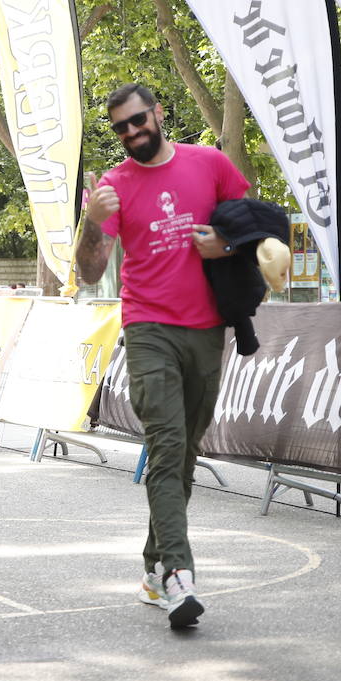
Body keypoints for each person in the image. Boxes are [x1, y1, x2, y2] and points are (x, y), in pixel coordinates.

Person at [74, 83, 250, 630]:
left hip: (207, 330)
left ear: (159, 112)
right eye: (120, 127)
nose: (131, 132)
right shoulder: (112, 188)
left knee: (185, 452)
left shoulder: (212, 165)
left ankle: (153, 570)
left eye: (137, 120)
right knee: (167, 444)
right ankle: (178, 576)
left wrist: (223, 245)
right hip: (148, 328)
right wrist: (89, 222)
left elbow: (256, 231)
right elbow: (88, 272)